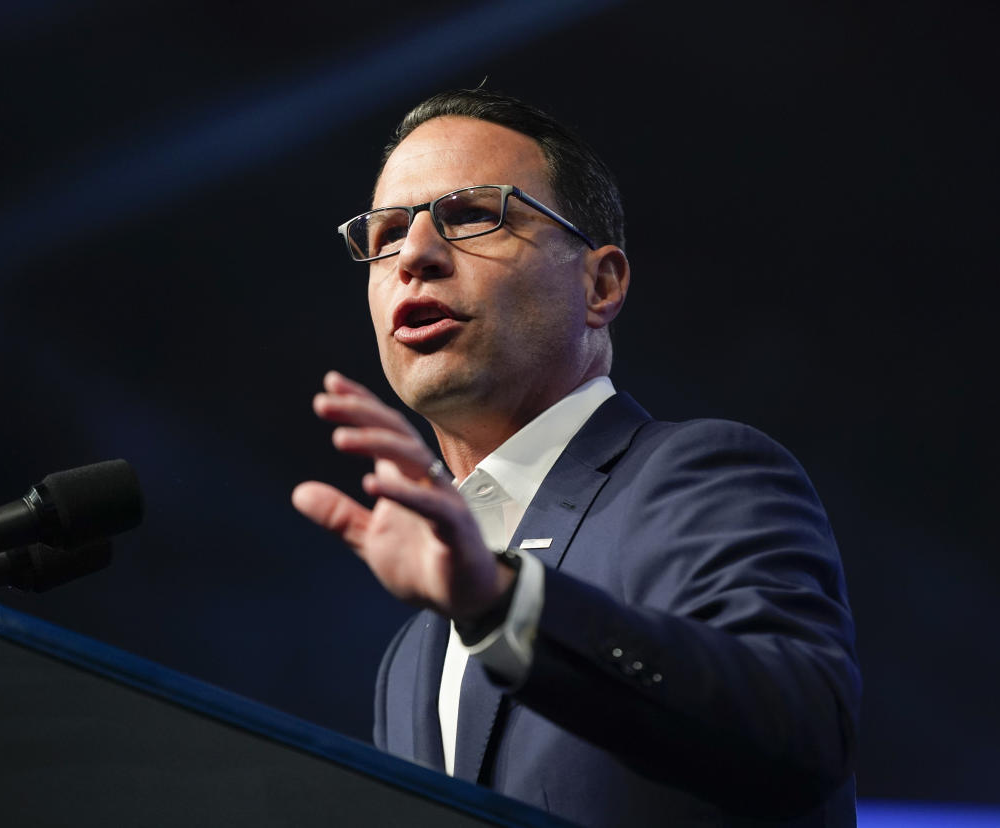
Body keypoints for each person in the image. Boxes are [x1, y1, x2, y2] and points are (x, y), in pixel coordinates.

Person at [291, 88, 861, 827]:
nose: (415, 257)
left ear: (601, 284)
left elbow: (805, 733)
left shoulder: (697, 477)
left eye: (472, 215)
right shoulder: (408, 659)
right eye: (388, 231)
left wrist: (504, 605)